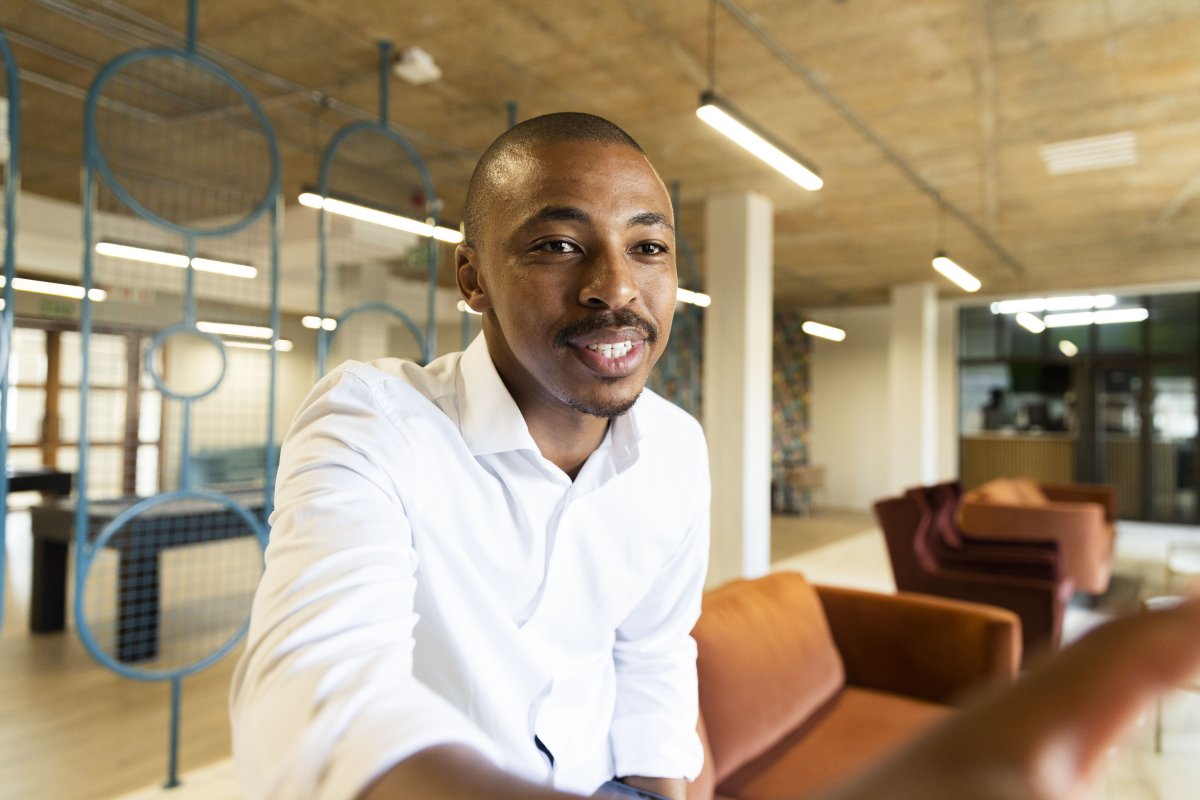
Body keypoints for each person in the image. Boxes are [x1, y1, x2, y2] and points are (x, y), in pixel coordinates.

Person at [230, 112, 1200, 800]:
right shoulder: (373, 419)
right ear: (473, 277)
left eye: (648, 248)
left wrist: (664, 786)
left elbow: (652, 649)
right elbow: (312, 687)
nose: (616, 287)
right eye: (559, 244)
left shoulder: (675, 447)